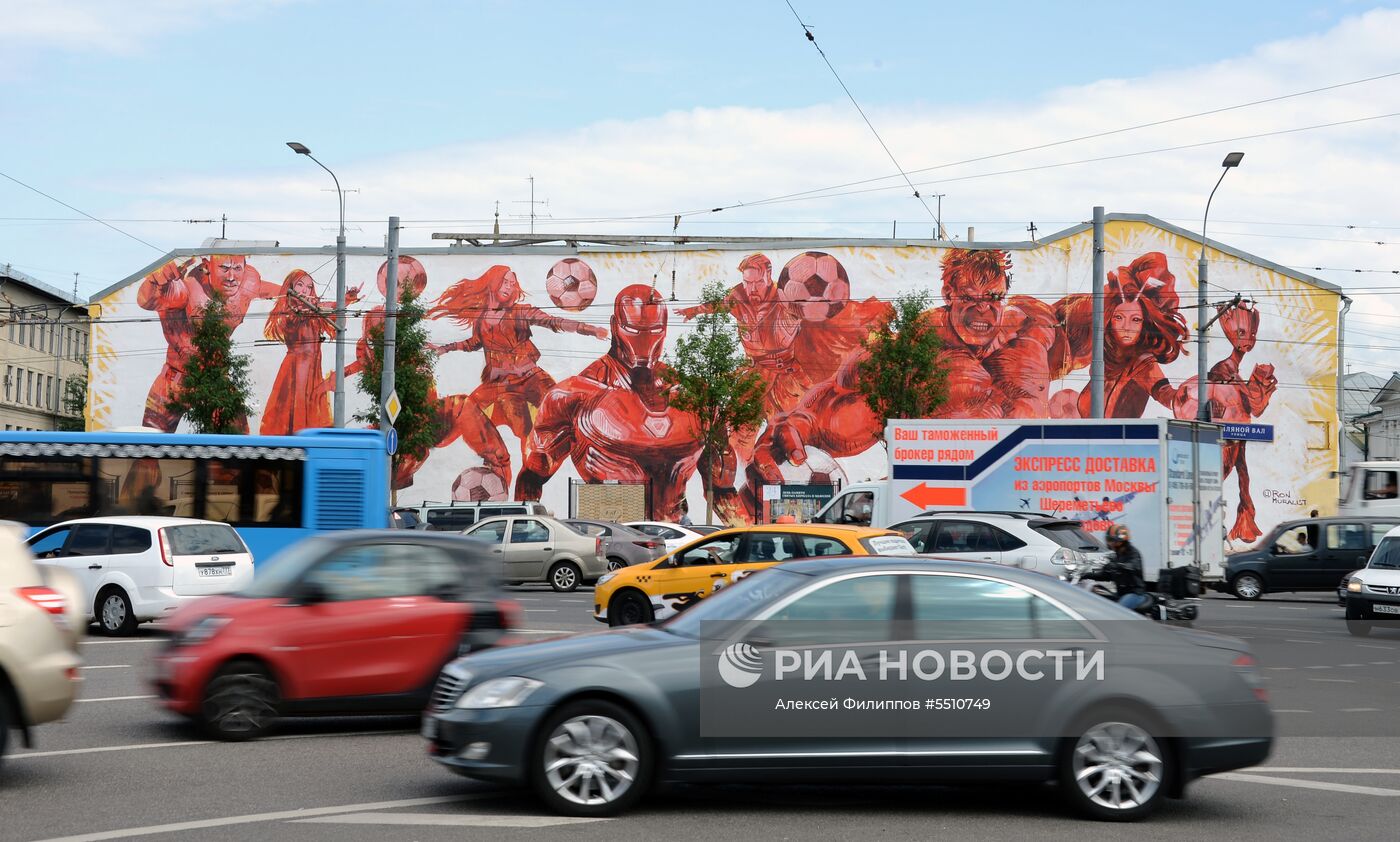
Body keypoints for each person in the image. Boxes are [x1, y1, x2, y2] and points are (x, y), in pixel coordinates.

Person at [1089, 524, 1150, 613]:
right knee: (1098, 597)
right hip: (1121, 594)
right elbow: (1106, 575)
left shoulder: (1133, 553)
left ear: (1120, 541)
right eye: (1109, 540)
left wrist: (1117, 565)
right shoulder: (1117, 555)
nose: (1109, 543)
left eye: (1111, 540)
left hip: (1135, 594)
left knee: (1116, 612)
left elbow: (1133, 566)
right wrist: (1086, 575)